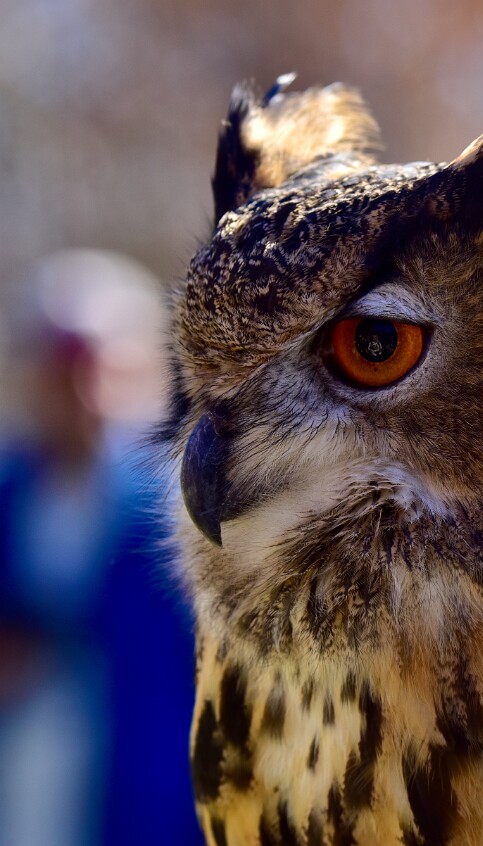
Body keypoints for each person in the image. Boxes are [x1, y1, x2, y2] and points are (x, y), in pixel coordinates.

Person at [0, 250, 199, 845]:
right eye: (64, 370)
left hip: (147, 795)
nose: (84, 395)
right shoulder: (12, 493)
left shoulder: (188, 504)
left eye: (98, 369)